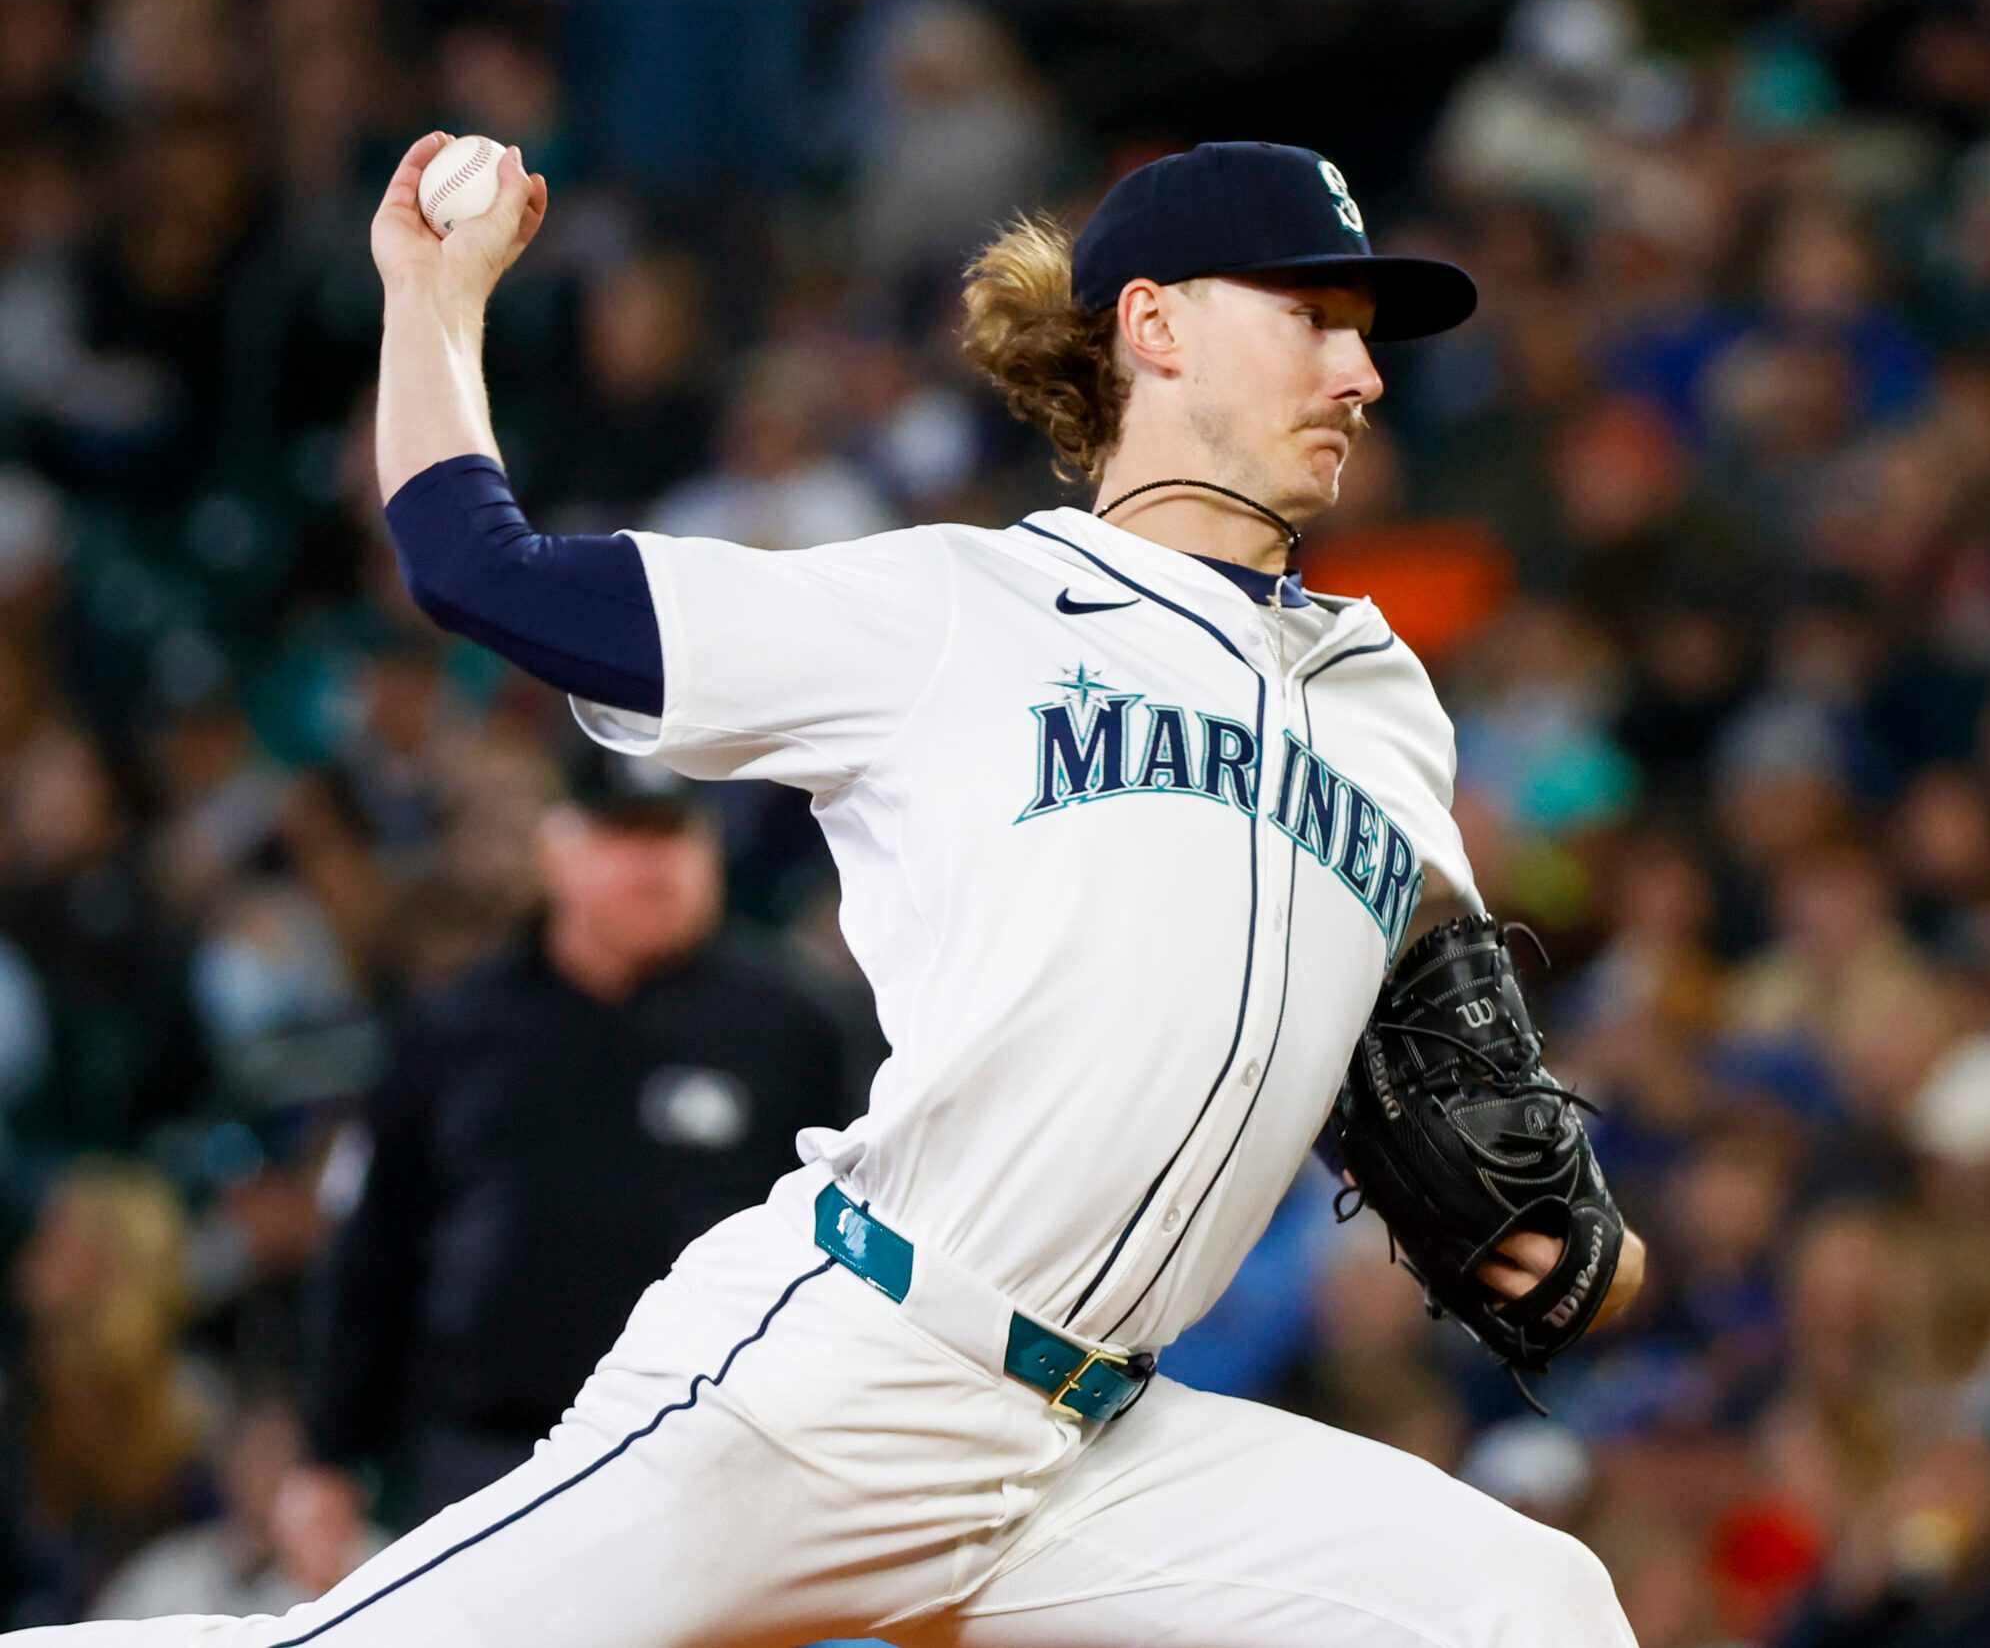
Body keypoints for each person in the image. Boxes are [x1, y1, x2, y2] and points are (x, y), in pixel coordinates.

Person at [8, 135, 1647, 1645]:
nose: (1363, 371)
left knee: (1527, 1605)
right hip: (850, 1375)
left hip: (1096, 1453)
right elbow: (475, 567)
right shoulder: (956, 609)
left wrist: (1555, 1230)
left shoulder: (1383, 705)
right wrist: (434, 299)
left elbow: (1409, 1064)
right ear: (1155, 324)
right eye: (1315, 318)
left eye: (1366, 335)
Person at [297, 766, 868, 1521]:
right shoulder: (460, 1026)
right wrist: (329, 1455)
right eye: (625, 835)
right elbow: (379, 1246)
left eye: (674, 835)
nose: (654, 865)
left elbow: (857, 1238)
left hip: (721, 1453)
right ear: (556, 848)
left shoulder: (796, 1025)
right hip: (490, 1455)